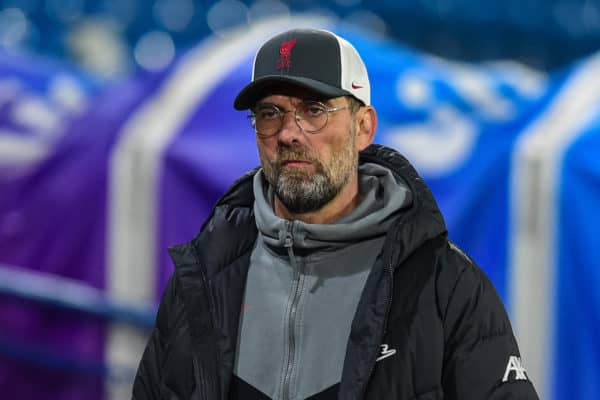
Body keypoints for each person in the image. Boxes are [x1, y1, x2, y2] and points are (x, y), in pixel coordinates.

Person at [132, 28, 539, 400]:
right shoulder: (203, 275)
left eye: (314, 110)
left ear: (363, 127)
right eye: (270, 113)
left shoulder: (444, 286)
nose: (289, 133)